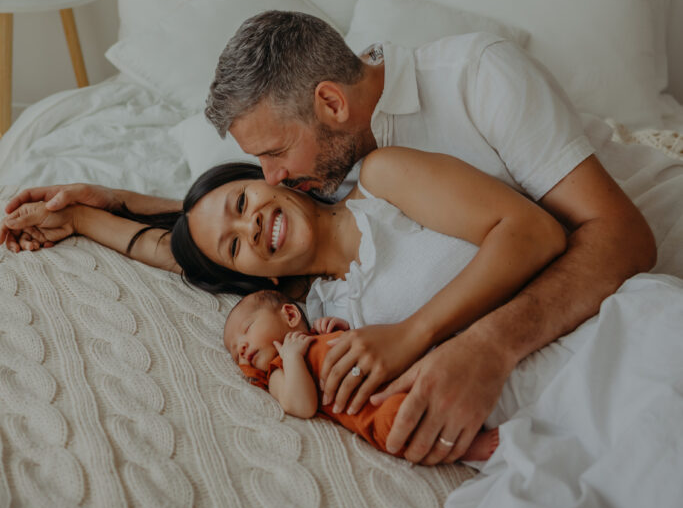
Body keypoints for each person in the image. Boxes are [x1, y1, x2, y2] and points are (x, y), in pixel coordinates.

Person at [4, 11, 665, 466]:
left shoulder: (474, 80)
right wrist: (98, 206)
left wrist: (472, 347)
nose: (273, 176)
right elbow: (229, 233)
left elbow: (614, 239)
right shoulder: (322, 197)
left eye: (272, 155)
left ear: (328, 103)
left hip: (629, 275)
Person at [2, 145, 568, 466]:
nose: (250, 226)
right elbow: (173, 248)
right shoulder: (312, 310)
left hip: (588, 344)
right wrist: (78, 216)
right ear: (252, 276)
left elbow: (535, 233)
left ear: (280, 179)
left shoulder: (382, 182)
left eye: (245, 200)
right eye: (234, 248)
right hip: (531, 428)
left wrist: (414, 333)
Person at [224, 288, 500, 462]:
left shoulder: (317, 335)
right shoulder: (278, 370)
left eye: (247, 329)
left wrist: (340, 330)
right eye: (235, 351)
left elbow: (365, 347)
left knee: (436, 373)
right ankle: (465, 449)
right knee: (401, 414)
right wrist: (292, 357)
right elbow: (301, 404)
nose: (242, 347)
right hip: (375, 411)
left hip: (394, 375)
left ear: (290, 314)